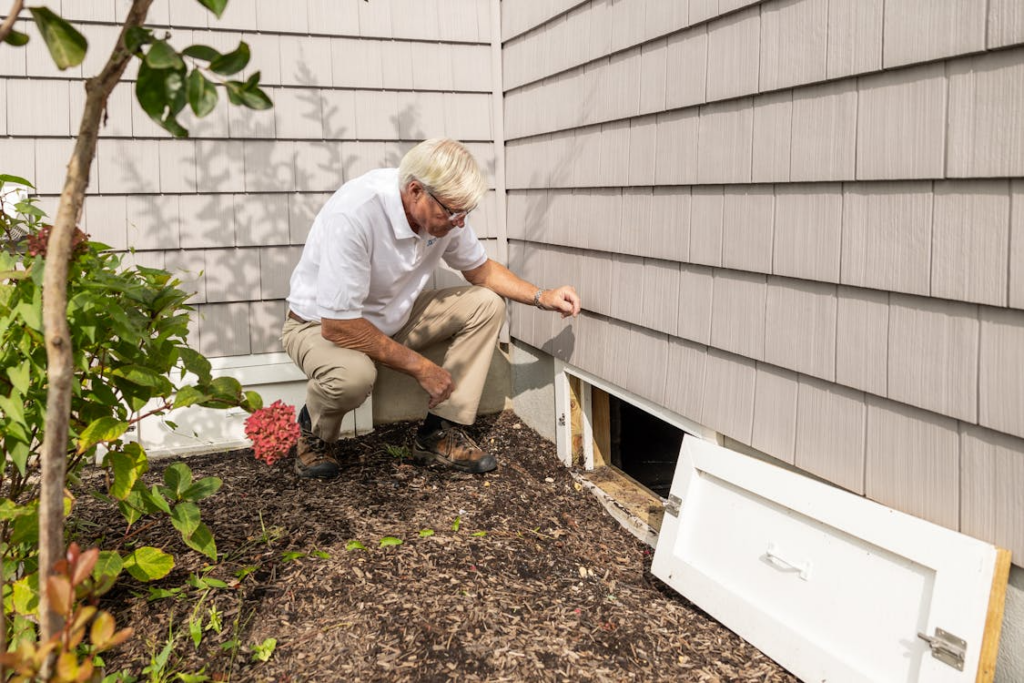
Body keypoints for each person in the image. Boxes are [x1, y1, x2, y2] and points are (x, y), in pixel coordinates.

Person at [282, 139, 581, 479]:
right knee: (353, 377)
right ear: (415, 191)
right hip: (319, 326)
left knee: (486, 304)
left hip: (391, 318)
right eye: (452, 212)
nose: (459, 223)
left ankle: (439, 434)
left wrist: (542, 296)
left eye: (465, 213)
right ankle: (314, 433)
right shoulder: (356, 214)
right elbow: (339, 325)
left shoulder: (444, 214)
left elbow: (481, 271)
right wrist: (422, 368)